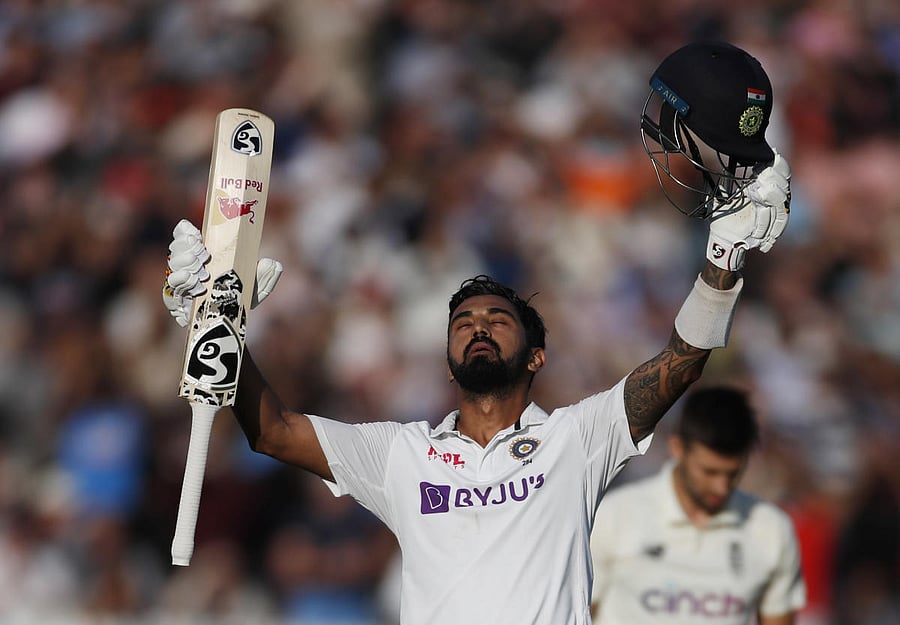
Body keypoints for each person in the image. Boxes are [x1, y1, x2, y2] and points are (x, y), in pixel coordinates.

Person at [162, 41, 792, 625]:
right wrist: (215, 324)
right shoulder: (400, 456)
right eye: (463, 323)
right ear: (447, 362)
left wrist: (724, 261)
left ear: (537, 354)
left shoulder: (577, 439)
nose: (479, 328)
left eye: (497, 319)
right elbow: (272, 431)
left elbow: (685, 360)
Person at [590, 386, 807, 625]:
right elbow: (578, 612)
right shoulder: (615, 516)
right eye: (709, 472)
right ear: (677, 448)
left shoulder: (770, 528)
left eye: (732, 473)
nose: (721, 487)